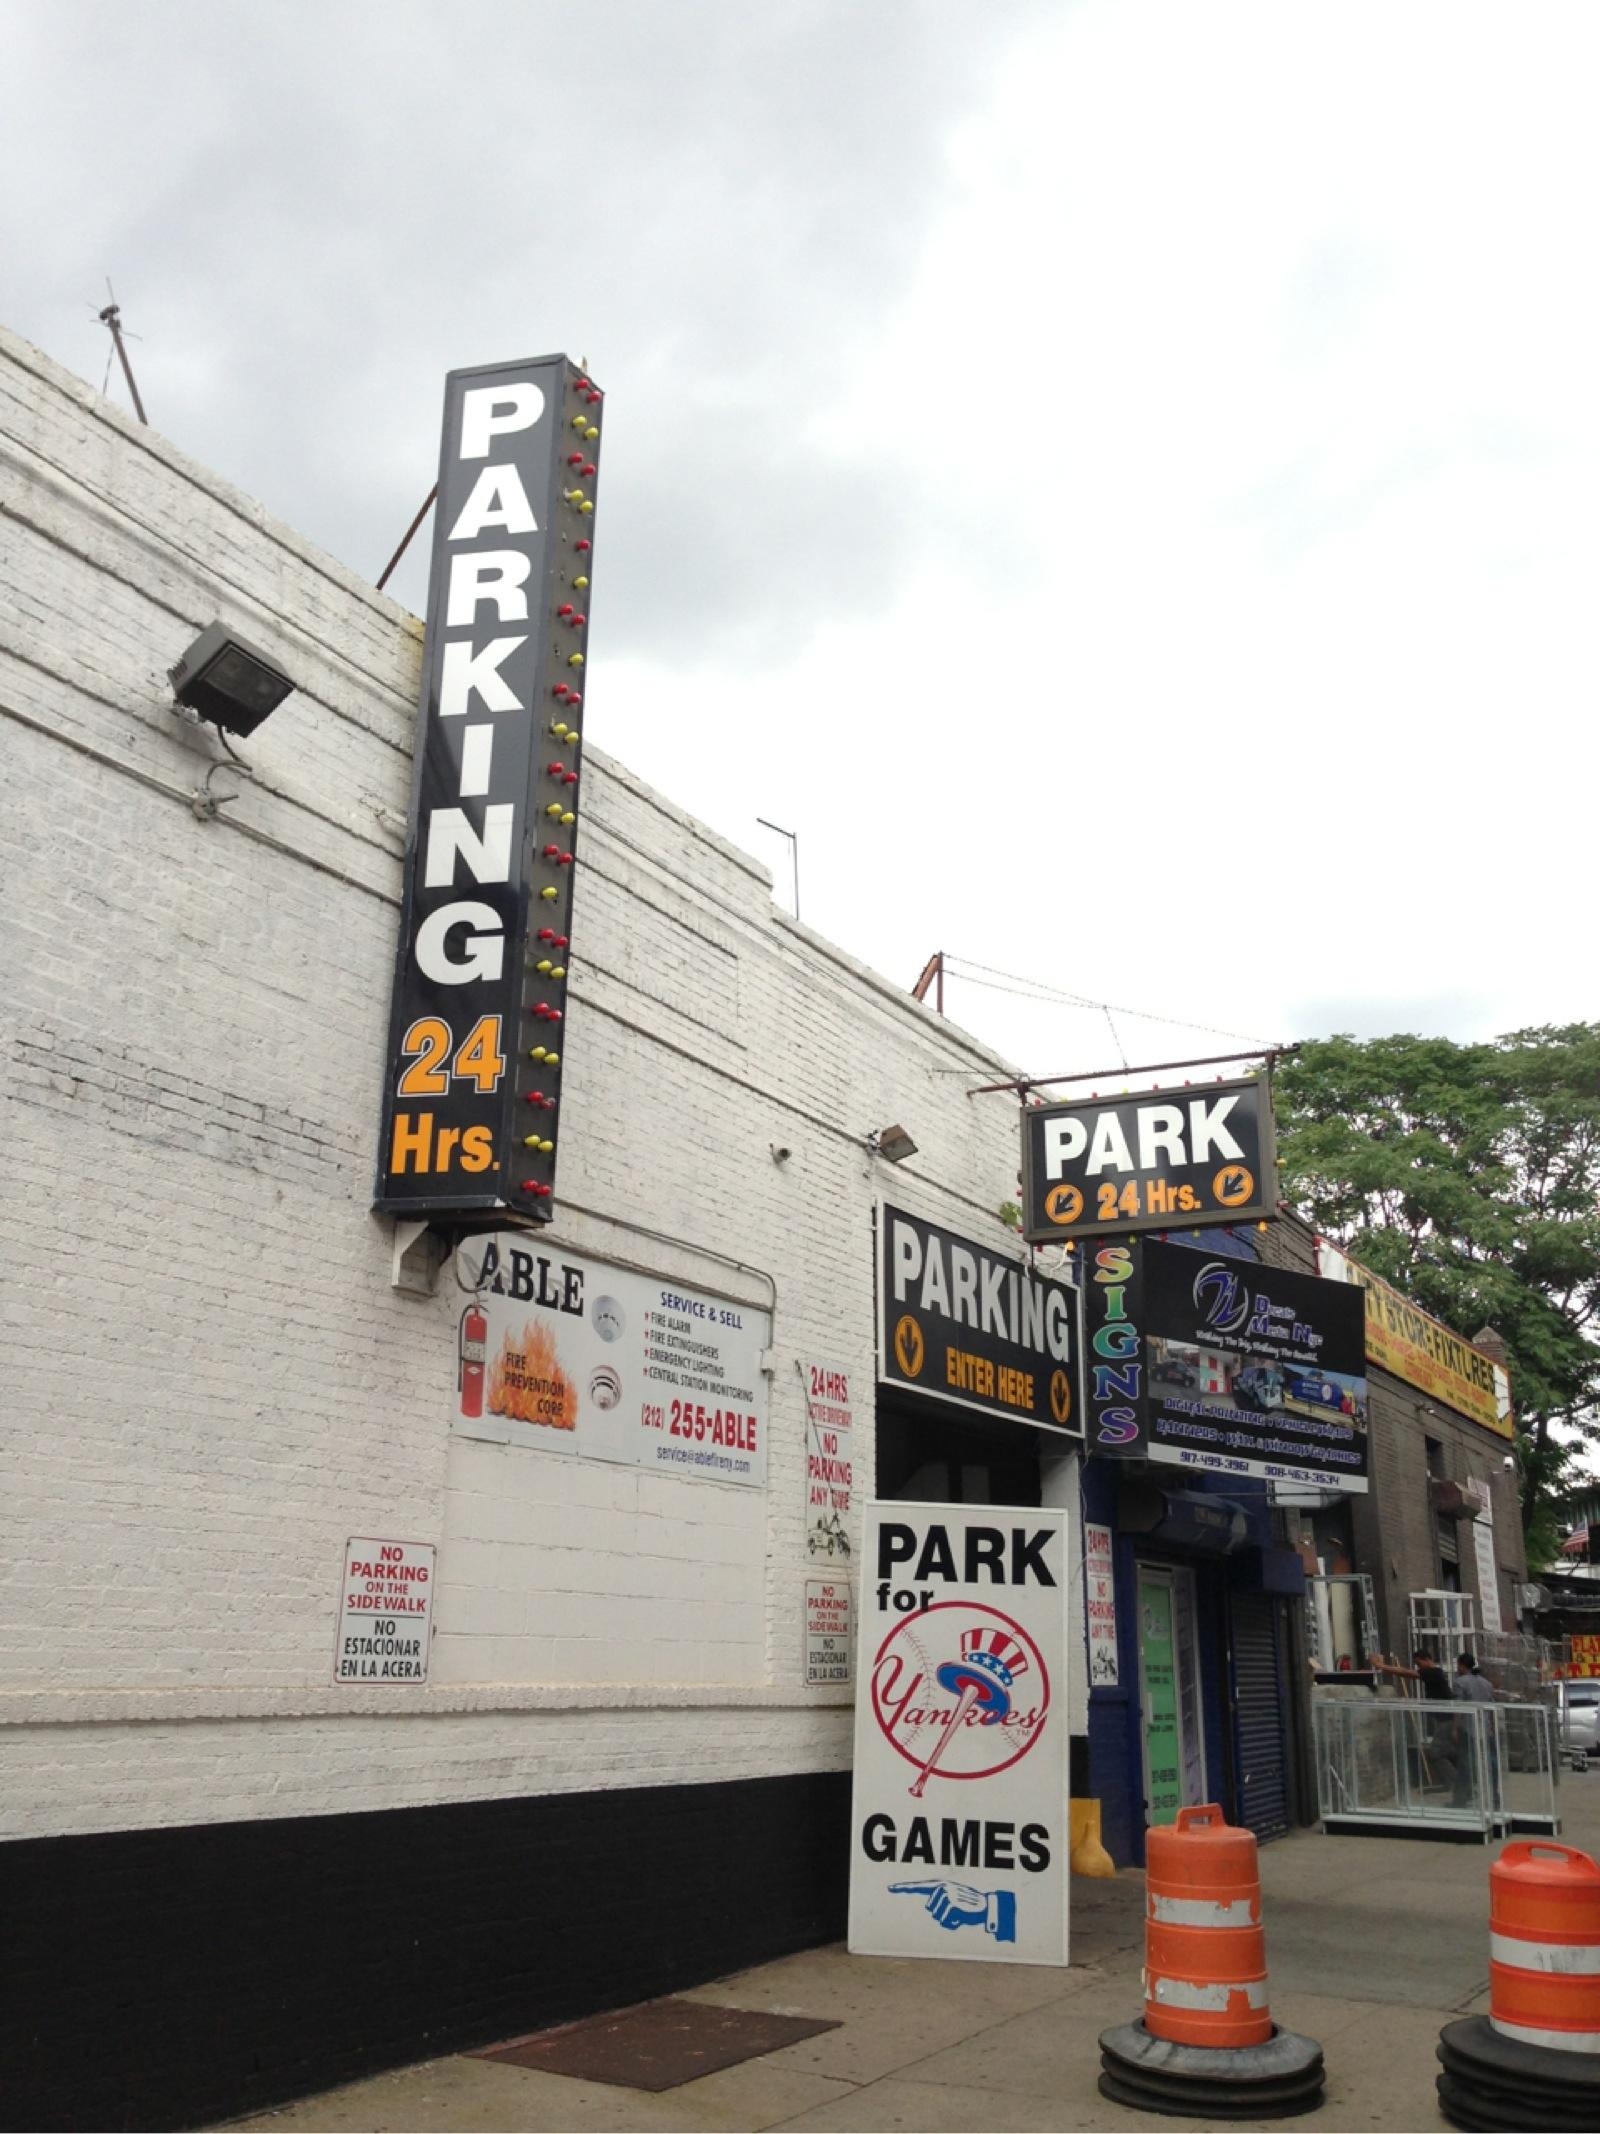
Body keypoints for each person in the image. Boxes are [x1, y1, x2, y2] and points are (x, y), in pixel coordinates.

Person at [1451, 1651, 1499, 1809]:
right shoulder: (1486, 1683)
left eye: (1458, 1665)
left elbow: (1459, 1707)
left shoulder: (1460, 1682)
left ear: (1462, 1665)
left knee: (1465, 1764)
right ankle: (1494, 1797)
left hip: (1469, 1729)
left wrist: (1455, 1728)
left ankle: (1461, 1799)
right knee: (1490, 1764)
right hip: (1485, 1728)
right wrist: (1491, 1726)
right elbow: (1491, 1707)